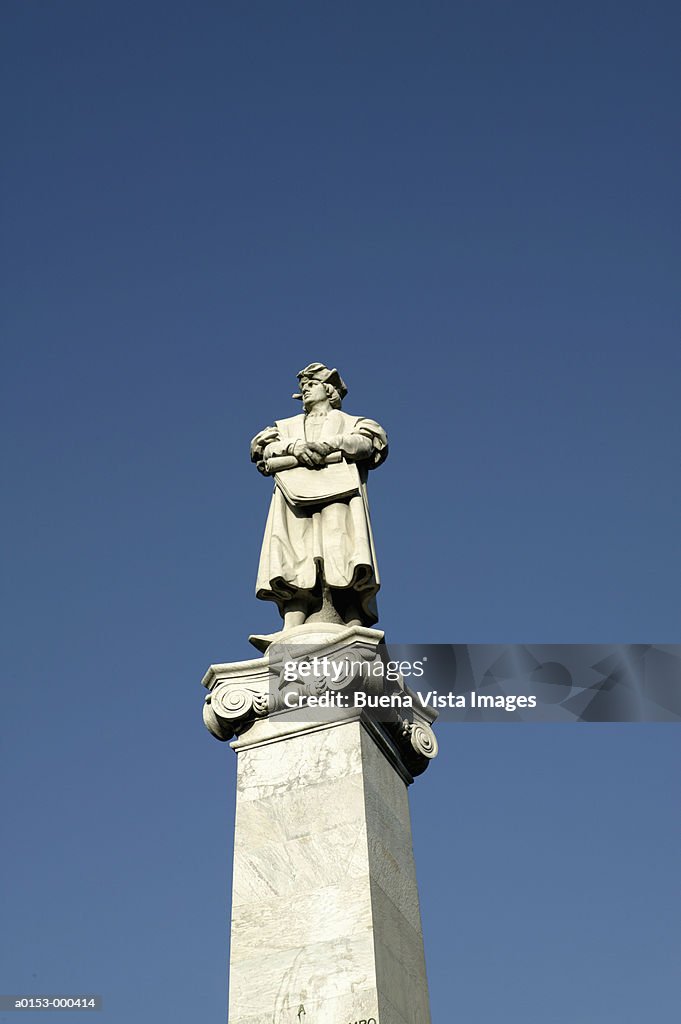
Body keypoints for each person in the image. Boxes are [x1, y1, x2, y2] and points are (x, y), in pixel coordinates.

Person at [250, 363, 388, 640]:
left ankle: (352, 620)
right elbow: (263, 450)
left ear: (328, 389)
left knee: (341, 552)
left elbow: (368, 444)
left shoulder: (354, 422)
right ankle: (292, 623)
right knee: (295, 553)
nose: (305, 390)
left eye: (311, 385)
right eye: (303, 387)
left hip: (340, 495)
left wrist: (330, 446)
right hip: (294, 497)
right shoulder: (285, 427)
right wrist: (294, 447)